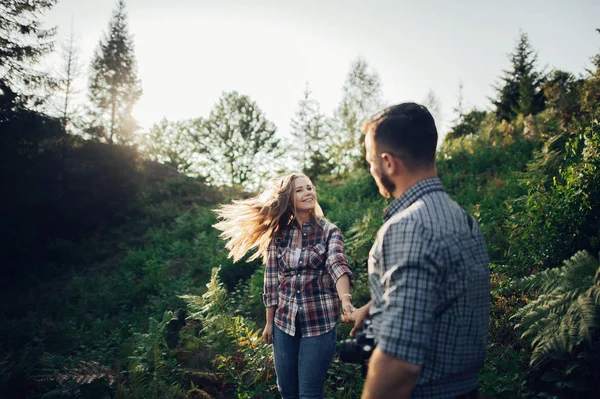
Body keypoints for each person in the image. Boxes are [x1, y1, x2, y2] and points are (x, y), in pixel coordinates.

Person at [343, 103, 490, 399]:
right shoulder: (462, 218)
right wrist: (377, 305)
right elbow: (444, 289)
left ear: (388, 163)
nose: (371, 168)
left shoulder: (408, 227)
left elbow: (399, 363)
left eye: (370, 161)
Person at [214, 173, 354, 399]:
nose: (307, 192)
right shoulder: (279, 236)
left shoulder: (330, 232)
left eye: (309, 187)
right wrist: (269, 322)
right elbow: (271, 280)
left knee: (309, 394)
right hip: (284, 323)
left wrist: (345, 299)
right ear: (289, 198)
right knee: (287, 391)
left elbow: (337, 264)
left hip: (319, 323)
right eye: (299, 190)